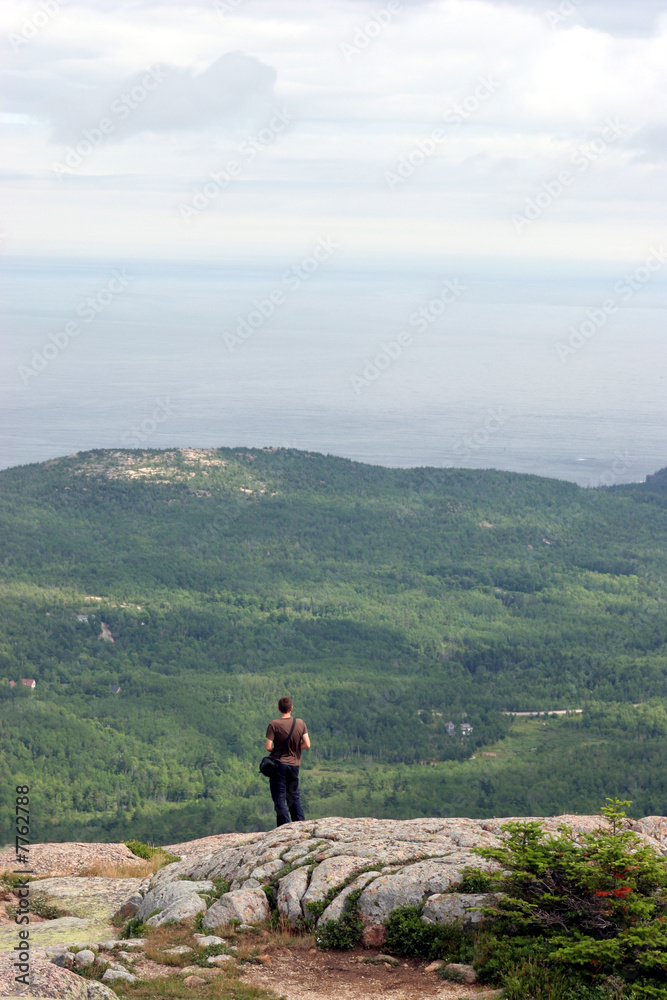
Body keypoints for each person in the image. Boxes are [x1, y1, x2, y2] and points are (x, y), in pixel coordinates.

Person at [265, 696, 310, 826]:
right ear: (291, 708)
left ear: (279, 708)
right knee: (294, 796)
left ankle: (284, 827)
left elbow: (268, 747)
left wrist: (277, 750)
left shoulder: (274, 724)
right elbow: (307, 744)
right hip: (294, 765)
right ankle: (301, 826)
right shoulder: (300, 723)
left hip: (279, 766)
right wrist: (295, 748)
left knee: (279, 798)